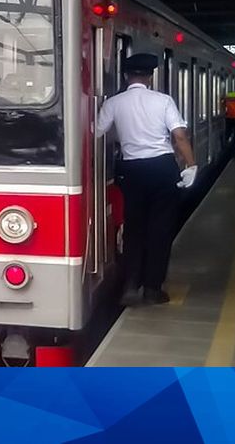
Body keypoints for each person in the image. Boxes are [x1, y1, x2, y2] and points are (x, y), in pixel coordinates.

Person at [96, 53, 196, 306]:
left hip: (131, 170)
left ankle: (130, 285)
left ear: (126, 76)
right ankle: (153, 288)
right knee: (160, 229)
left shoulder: (114, 103)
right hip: (162, 168)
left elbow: (95, 132)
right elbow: (180, 136)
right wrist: (191, 165)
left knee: (134, 228)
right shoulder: (163, 101)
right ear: (150, 76)